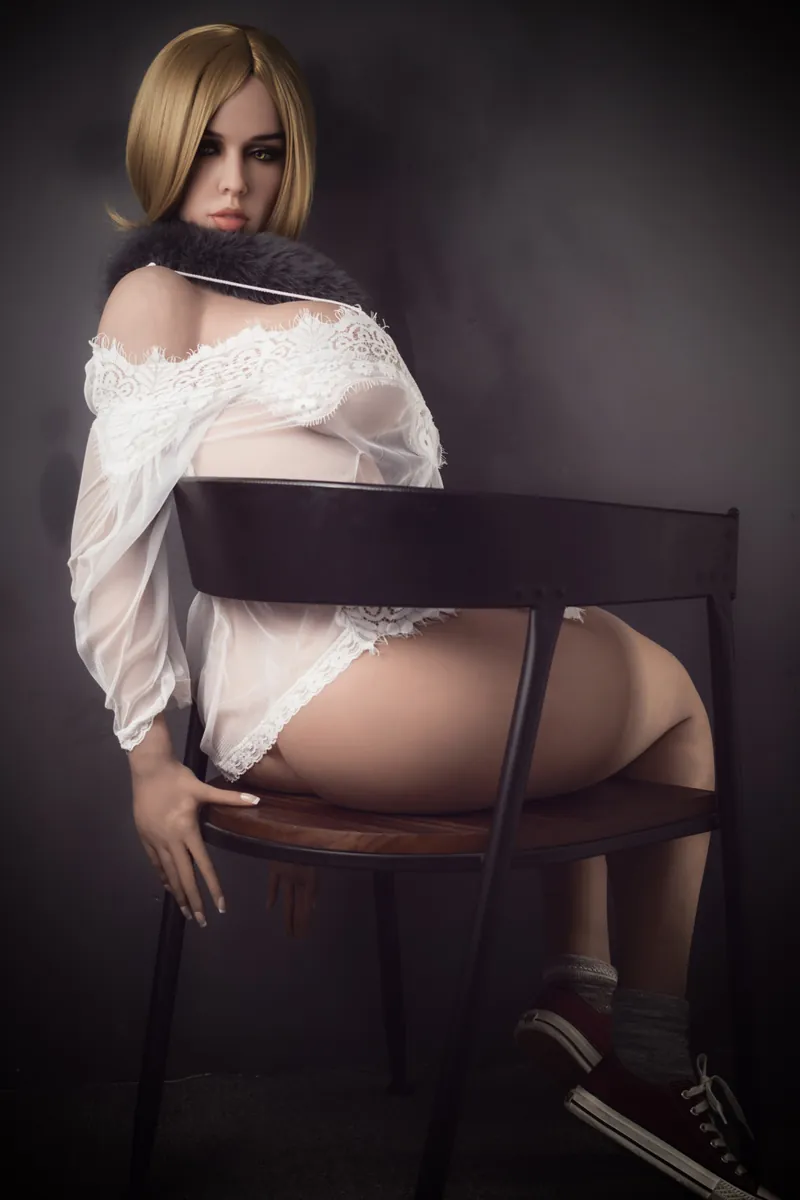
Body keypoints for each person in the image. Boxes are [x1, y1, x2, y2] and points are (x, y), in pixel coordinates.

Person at [67, 22, 777, 1199]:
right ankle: (644, 1058)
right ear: (159, 151)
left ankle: (582, 998)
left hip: (351, 673)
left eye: (262, 152)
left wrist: (278, 760)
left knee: (596, 647)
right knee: (673, 704)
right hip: (329, 683)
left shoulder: (268, 291)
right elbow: (112, 541)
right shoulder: (157, 291)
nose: (233, 183)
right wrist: (151, 761)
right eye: (204, 151)